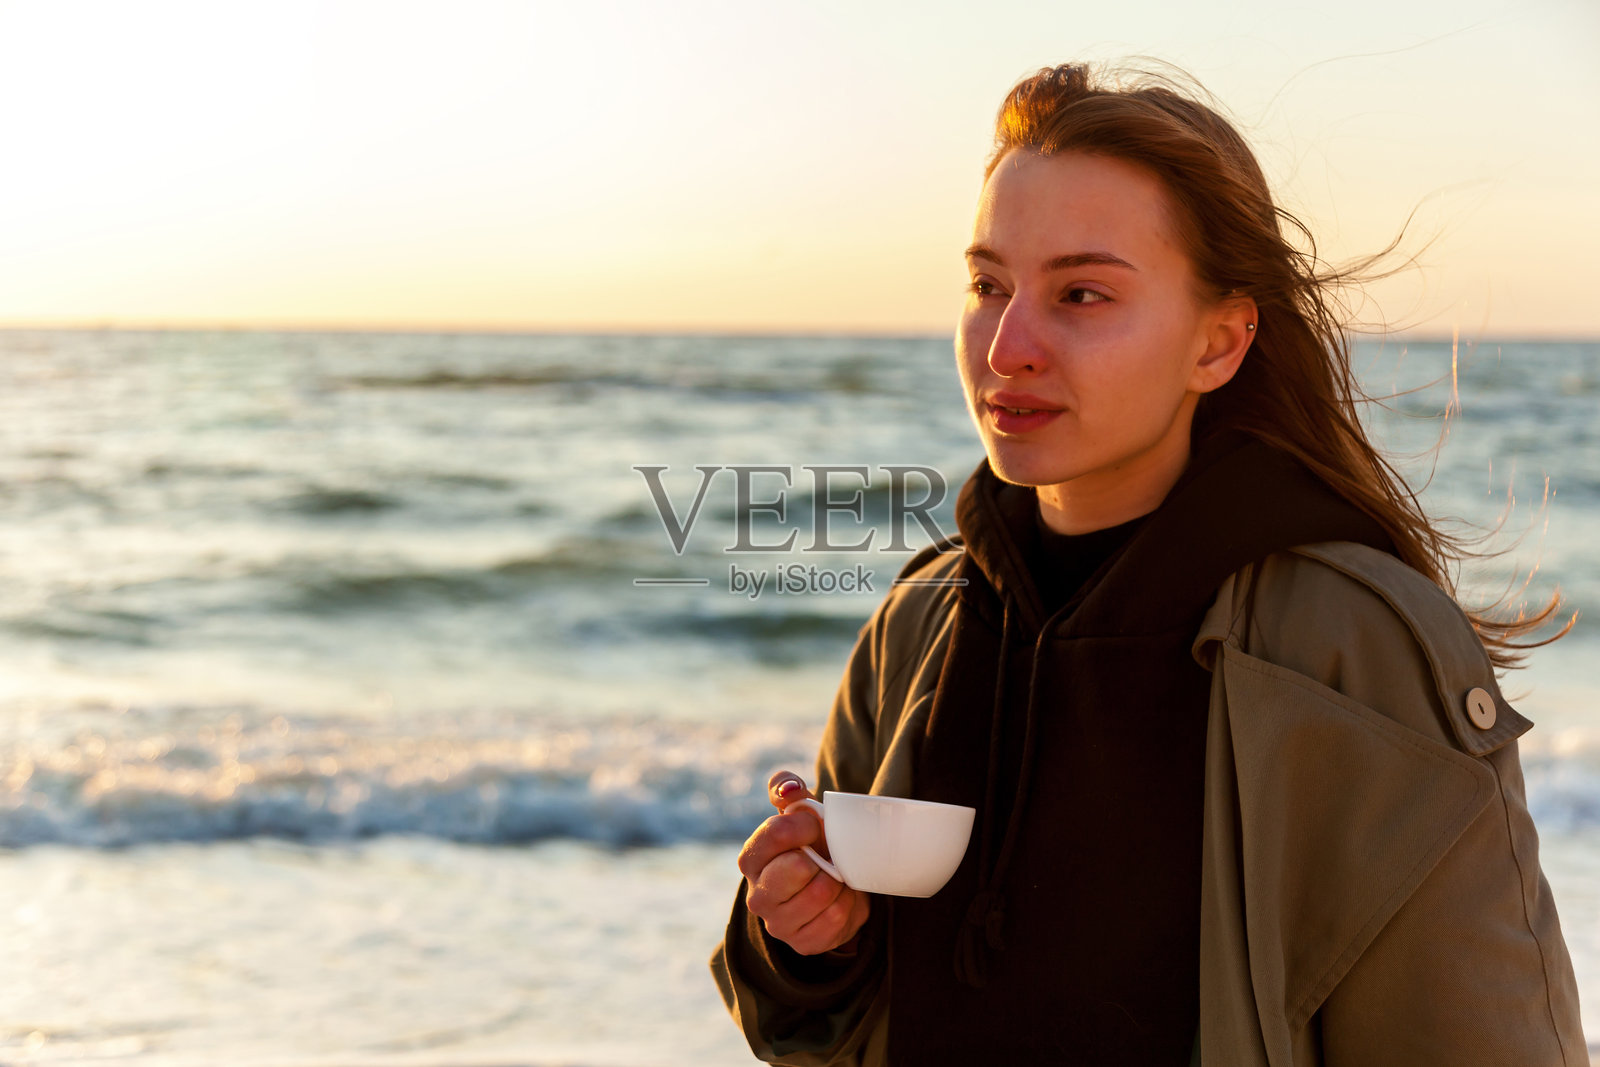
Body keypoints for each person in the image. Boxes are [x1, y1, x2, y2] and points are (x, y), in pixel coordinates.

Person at [709, 63, 1586, 1065]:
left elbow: (1480, 1039)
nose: (1007, 347)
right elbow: (829, 1030)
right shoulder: (923, 623)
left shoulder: (1351, 645)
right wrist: (802, 939)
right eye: (990, 286)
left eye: (1081, 293)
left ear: (1218, 341)